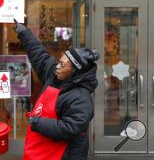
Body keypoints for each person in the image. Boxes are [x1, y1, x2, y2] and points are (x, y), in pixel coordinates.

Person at [13, 19, 100, 160]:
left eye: (63, 64)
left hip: (63, 154)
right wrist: (24, 33)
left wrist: (37, 123)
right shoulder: (54, 75)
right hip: (40, 151)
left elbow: (69, 127)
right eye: (59, 61)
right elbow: (39, 55)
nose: (57, 67)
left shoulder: (81, 97)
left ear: (75, 71)